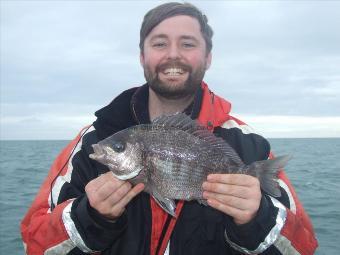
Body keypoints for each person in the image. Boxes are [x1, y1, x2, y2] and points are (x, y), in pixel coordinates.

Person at [21, 2, 318, 255]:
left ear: (208, 58)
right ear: (142, 57)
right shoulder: (91, 142)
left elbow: (305, 246)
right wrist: (89, 218)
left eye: (187, 44)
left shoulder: (251, 145)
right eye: (159, 43)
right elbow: (32, 244)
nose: (173, 55)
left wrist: (259, 218)